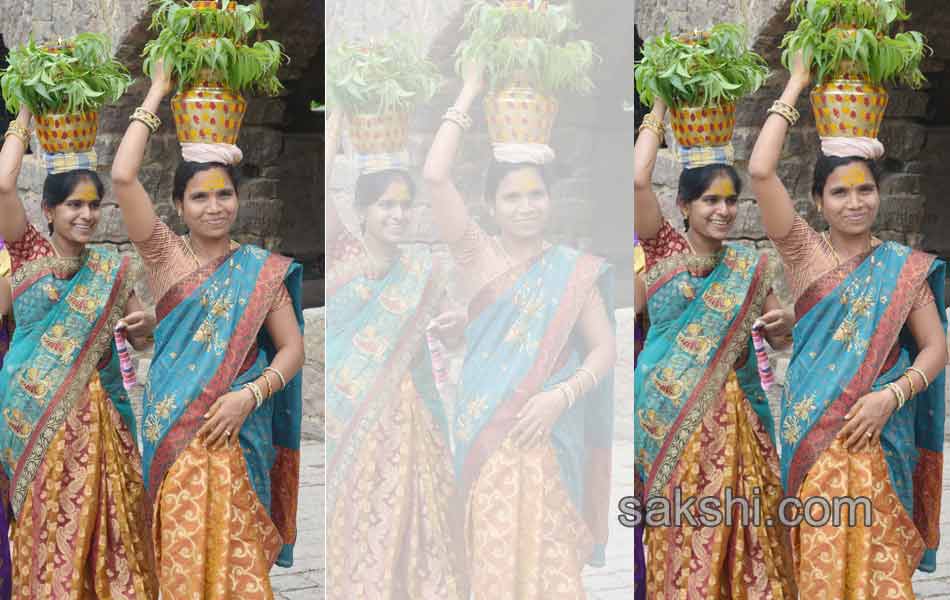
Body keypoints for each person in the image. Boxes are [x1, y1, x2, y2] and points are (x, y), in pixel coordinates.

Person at [747, 53, 948, 599]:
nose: (855, 202)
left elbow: (935, 348)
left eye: (865, 190)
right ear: (818, 200)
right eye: (839, 191)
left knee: (880, 575)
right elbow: (762, 170)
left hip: (880, 435)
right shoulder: (803, 252)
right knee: (819, 568)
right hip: (814, 435)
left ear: (878, 194)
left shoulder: (904, 269)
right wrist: (798, 81)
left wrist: (893, 395)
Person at [110, 64, 305, 598]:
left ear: (237, 199)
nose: (214, 207)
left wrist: (249, 395)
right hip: (176, 436)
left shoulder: (261, 271)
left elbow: (291, 349)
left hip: (238, 437)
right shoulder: (164, 255)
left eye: (224, 195)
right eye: (199, 197)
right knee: (180, 562)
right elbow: (124, 177)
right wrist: (158, 90)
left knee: (237, 569)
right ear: (178, 206)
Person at [423, 64, 617, 598]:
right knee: (493, 561)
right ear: (491, 205)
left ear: (551, 200)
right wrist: (469, 89)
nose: (526, 207)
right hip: (486, 432)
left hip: (550, 436)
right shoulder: (476, 255)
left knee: (551, 565)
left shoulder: (574, 270)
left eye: (536, 196)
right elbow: (436, 176)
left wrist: (560, 396)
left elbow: (603, 350)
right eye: (512, 197)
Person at [633, 97, 797, 598]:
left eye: (730, 200)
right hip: (674, 429)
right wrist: (659, 104)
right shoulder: (661, 250)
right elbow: (638, 181)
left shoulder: (749, 264)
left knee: (749, 550)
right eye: (710, 201)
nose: (723, 211)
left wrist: (784, 323)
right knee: (685, 549)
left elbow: (780, 337)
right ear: (684, 205)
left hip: (741, 428)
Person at [0, 106, 158, 599]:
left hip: (104, 427)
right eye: (73, 205)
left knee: (110, 541)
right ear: (48, 210)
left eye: (93, 205)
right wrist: (24, 113)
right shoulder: (28, 255)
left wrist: (146, 325)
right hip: (38, 427)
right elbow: (4, 186)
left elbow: (142, 341)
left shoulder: (111, 269)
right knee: (49, 535)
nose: (86, 215)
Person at [323, 107, 467, 598]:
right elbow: (324, 190)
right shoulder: (344, 256)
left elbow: (452, 334)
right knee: (362, 520)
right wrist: (337, 126)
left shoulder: (426, 269)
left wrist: (455, 328)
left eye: (404, 206)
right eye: (385, 205)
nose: (397, 215)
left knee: (419, 521)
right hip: (354, 416)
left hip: (415, 417)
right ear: (361, 210)